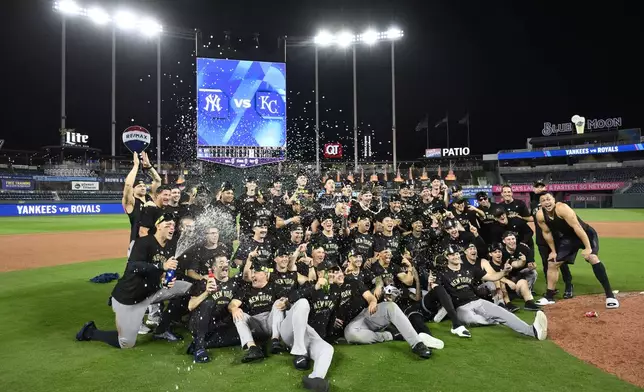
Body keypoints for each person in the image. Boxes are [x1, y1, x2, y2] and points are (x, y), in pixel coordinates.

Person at [75, 213, 192, 348]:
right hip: (131, 297)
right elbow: (133, 266)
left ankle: (163, 328)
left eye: (173, 225)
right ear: (158, 226)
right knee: (126, 343)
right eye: (168, 225)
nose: (172, 228)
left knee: (189, 287)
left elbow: (162, 272)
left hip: (152, 292)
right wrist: (161, 266)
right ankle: (90, 332)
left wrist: (165, 280)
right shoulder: (143, 243)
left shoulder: (171, 245)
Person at [436, 245, 548, 340]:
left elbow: (492, 277)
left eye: (456, 254)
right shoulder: (442, 273)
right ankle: (494, 320)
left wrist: (504, 272)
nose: (455, 256)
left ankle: (532, 331)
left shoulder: (470, 268)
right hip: (460, 308)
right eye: (452, 255)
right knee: (474, 319)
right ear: (446, 257)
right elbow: (437, 292)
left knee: (503, 313)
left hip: (477, 301)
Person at [535, 192, 619, 308]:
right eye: (543, 200)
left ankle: (610, 296)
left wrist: (588, 248)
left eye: (548, 199)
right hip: (569, 239)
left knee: (592, 258)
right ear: (540, 203)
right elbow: (547, 233)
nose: (547, 202)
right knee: (552, 263)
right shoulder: (540, 215)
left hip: (586, 234)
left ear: (554, 200)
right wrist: (553, 251)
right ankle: (549, 297)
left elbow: (577, 227)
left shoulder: (562, 208)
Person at [337, 268, 434, 358]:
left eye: (339, 271)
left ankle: (417, 343)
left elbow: (369, 296)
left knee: (390, 306)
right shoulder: (326, 291)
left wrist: (373, 301)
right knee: (351, 334)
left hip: (366, 313)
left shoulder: (352, 281)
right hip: (352, 325)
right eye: (333, 273)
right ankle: (391, 335)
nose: (339, 274)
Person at [186, 254, 241, 363]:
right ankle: (199, 348)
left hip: (219, 325)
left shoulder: (234, 284)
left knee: (242, 335)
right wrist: (206, 293)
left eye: (226, 262)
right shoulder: (204, 283)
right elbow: (190, 306)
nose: (225, 264)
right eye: (221, 262)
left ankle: (199, 343)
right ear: (214, 268)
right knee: (208, 303)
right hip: (200, 323)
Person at [228, 262, 287, 363]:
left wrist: (285, 302)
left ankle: (275, 341)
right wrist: (234, 309)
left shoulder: (274, 286)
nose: (253, 275)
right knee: (238, 314)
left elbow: (286, 299)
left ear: (265, 274)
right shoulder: (246, 288)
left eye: (256, 272)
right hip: (255, 325)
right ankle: (253, 348)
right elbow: (232, 304)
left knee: (279, 301)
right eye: (252, 273)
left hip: (271, 322)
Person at [531, 182, 573, 298]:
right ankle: (551, 289)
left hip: (556, 239)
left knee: (562, 264)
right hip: (541, 239)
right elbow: (533, 218)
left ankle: (569, 286)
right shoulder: (533, 203)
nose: (539, 189)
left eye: (541, 186)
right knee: (546, 265)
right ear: (533, 189)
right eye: (537, 187)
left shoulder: (552, 202)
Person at [122, 152, 158, 255]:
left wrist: (150, 167)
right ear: (133, 190)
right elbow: (128, 185)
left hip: (153, 241)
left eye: (143, 186)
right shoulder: (131, 202)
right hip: (137, 244)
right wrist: (136, 166)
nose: (143, 187)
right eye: (139, 186)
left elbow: (158, 181)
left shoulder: (149, 198)